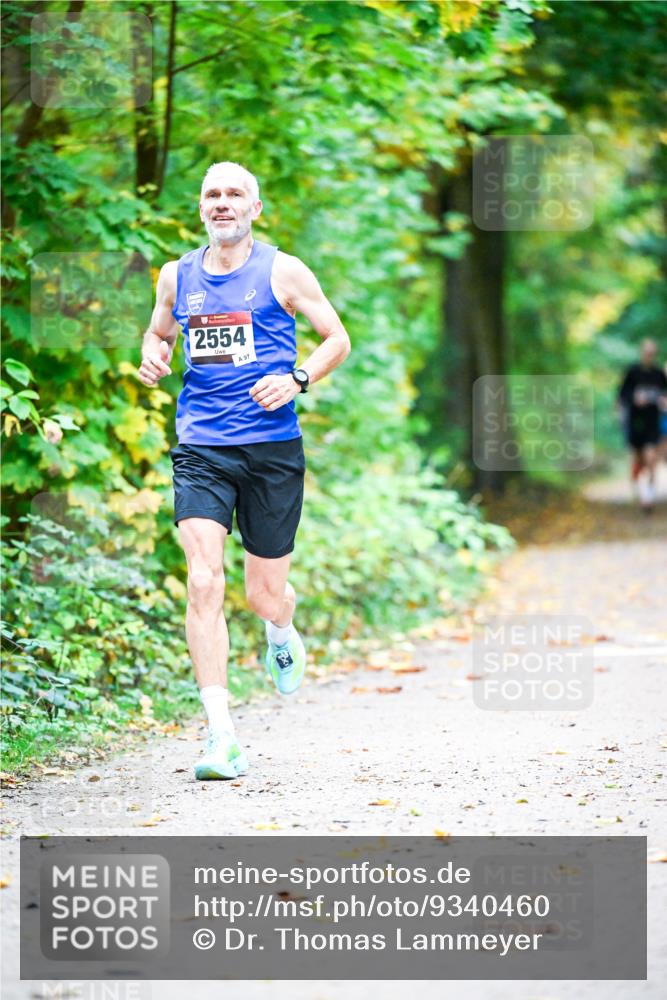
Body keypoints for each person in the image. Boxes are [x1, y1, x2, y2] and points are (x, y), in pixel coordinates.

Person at [137, 161, 351, 779]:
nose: (222, 203)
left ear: (255, 208)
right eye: (212, 195)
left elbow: (335, 337)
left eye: (234, 194)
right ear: (201, 208)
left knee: (261, 594)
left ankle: (281, 626)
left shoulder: (283, 270)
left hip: (272, 450)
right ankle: (221, 737)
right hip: (202, 445)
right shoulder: (176, 275)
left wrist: (297, 378)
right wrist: (154, 357)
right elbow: (158, 335)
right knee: (204, 580)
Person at [617, 339, 667, 511]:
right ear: (641, 352)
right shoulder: (632, 371)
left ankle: (649, 496)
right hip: (635, 422)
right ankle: (641, 491)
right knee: (638, 460)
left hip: (652, 422)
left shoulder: (659, 374)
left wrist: (662, 401)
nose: (649, 356)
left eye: (652, 353)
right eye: (647, 352)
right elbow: (622, 394)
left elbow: (665, 394)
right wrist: (634, 399)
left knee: (651, 457)